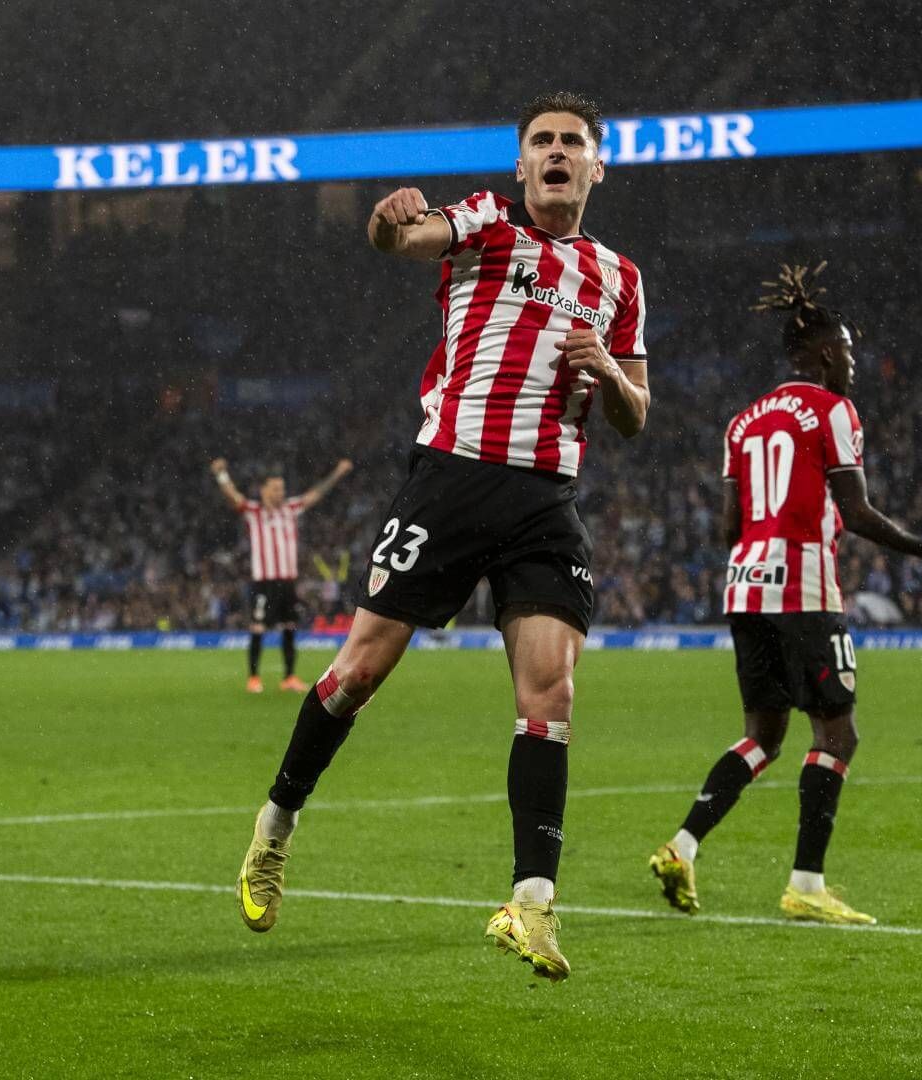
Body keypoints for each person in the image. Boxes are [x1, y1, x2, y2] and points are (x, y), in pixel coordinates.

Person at [236, 92, 650, 982]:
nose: (554, 152)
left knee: (552, 691)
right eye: (540, 140)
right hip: (453, 479)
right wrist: (388, 226)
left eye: (571, 142)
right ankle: (275, 827)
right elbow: (407, 241)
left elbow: (638, 415)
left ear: (596, 165)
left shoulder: (621, 279)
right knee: (358, 673)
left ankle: (531, 905)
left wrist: (611, 372)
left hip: (547, 498)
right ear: (519, 164)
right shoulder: (486, 224)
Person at [647, 264, 922, 925]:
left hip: (745, 585)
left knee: (761, 736)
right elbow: (857, 514)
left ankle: (682, 845)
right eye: (850, 354)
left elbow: (728, 527)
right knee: (837, 732)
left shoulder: (742, 422)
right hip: (803, 585)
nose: (855, 366)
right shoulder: (835, 412)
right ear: (826, 353)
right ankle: (806, 884)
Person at [211, 457, 353, 693]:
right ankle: (254, 678)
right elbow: (232, 495)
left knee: (289, 626)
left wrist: (337, 472)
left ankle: (288, 677)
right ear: (264, 490)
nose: (281, 492)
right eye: (276, 488)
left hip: (288, 582)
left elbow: (315, 494)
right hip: (264, 582)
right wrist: (221, 475)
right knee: (258, 627)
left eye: (283, 488)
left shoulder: (291, 509)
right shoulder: (253, 512)